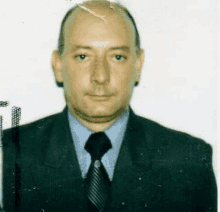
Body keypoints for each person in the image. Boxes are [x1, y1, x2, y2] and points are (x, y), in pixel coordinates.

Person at [2, 1, 217, 211]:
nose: (101, 76)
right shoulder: (9, 155)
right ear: (59, 65)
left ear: (138, 65)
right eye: (83, 56)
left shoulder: (188, 161)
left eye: (117, 57)